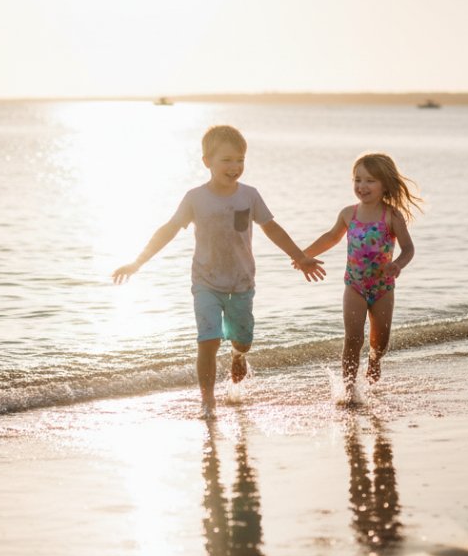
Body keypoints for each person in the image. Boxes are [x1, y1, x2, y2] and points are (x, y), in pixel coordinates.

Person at [113, 125, 326, 418]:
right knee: (208, 340)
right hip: (206, 282)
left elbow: (272, 228)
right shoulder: (195, 198)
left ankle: (238, 355)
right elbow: (169, 230)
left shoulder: (249, 196)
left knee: (243, 341)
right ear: (207, 162)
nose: (235, 166)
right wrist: (137, 262)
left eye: (240, 160)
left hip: (241, 282)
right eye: (226, 160)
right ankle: (208, 401)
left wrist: (300, 257)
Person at [298, 152, 422, 400]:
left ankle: (375, 361)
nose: (362, 186)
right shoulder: (348, 214)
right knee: (353, 337)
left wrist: (397, 264)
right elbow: (331, 237)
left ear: (385, 184)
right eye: (357, 180)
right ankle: (348, 389)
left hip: (383, 288)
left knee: (381, 342)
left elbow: (409, 248)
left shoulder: (392, 216)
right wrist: (303, 255)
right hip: (354, 285)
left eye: (370, 181)